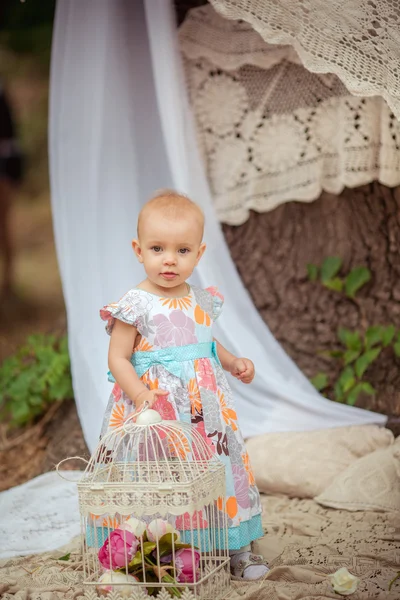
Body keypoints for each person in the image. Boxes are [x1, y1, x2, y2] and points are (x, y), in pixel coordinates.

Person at [99, 189, 269, 580]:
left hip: (206, 411)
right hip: (156, 411)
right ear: (138, 250)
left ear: (199, 253)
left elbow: (205, 341)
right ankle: (161, 547)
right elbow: (117, 358)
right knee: (161, 477)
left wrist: (232, 361)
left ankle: (236, 546)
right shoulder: (135, 303)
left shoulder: (200, 298)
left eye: (182, 250)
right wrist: (141, 394)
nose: (169, 260)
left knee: (221, 467)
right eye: (157, 248)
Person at [0, 81, 23, 304]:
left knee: (4, 227)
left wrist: (12, 175)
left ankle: (8, 281)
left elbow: (10, 139)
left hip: (2, 173)